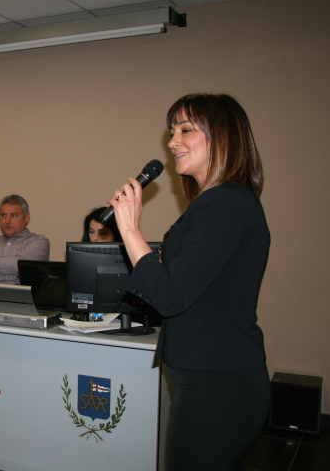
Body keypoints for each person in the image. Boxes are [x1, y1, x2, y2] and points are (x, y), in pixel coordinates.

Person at [107, 94, 269, 471]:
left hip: (217, 381)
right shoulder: (218, 202)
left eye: (185, 130)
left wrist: (129, 228)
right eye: (171, 131)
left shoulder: (223, 203)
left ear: (222, 136)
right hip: (211, 376)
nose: (172, 142)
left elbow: (170, 296)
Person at [0, 194, 50, 285]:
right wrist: (17, 276)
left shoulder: (40, 242)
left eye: (14, 215)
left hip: (21, 295)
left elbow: (21, 266)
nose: (7, 221)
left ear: (26, 217)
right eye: (4, 215)